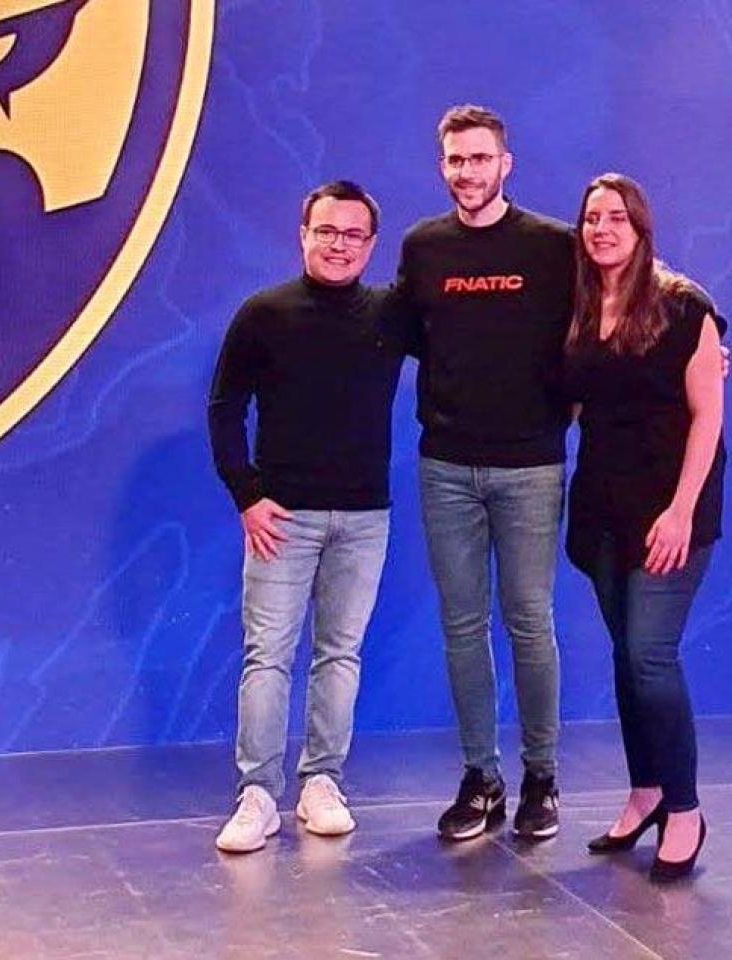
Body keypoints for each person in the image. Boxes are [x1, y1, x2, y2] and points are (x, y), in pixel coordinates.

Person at [386, 104, 576, 842]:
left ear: (506, 164)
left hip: (531, 468)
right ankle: (481, 779)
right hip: (447, 468)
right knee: (463, 627)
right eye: (456, 160)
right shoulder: (423, 247)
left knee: (530, 622)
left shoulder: (553, 246)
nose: (468, 172)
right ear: (443, 167)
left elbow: (627, 294)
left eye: (480, 158)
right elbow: (389, 332)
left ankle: (542, 779)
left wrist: (707, 328)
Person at [206, 181, 402, 853]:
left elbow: (475, 352)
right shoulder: (263, 314)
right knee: (268, 656)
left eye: (352, 234)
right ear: (303, 234)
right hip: (281, 519)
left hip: (365, 516)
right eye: (327, 231)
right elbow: (224, 408)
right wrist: (246, 495)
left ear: (370, 245)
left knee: (339, 654)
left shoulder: (390, 315)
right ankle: (257, 796)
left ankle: (322, 783)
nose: (339, 244)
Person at [563, 173, 726, 881]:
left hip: (671, 509)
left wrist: (681, 510)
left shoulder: (685, 306)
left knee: (651, 654)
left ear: (640, 228)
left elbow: (709, 415)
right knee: (626, 656)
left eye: (616, 218)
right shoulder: (576, 306)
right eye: (592, 218)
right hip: (603, 507)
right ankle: (647, 791)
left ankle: (685, 809)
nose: (602, 230)